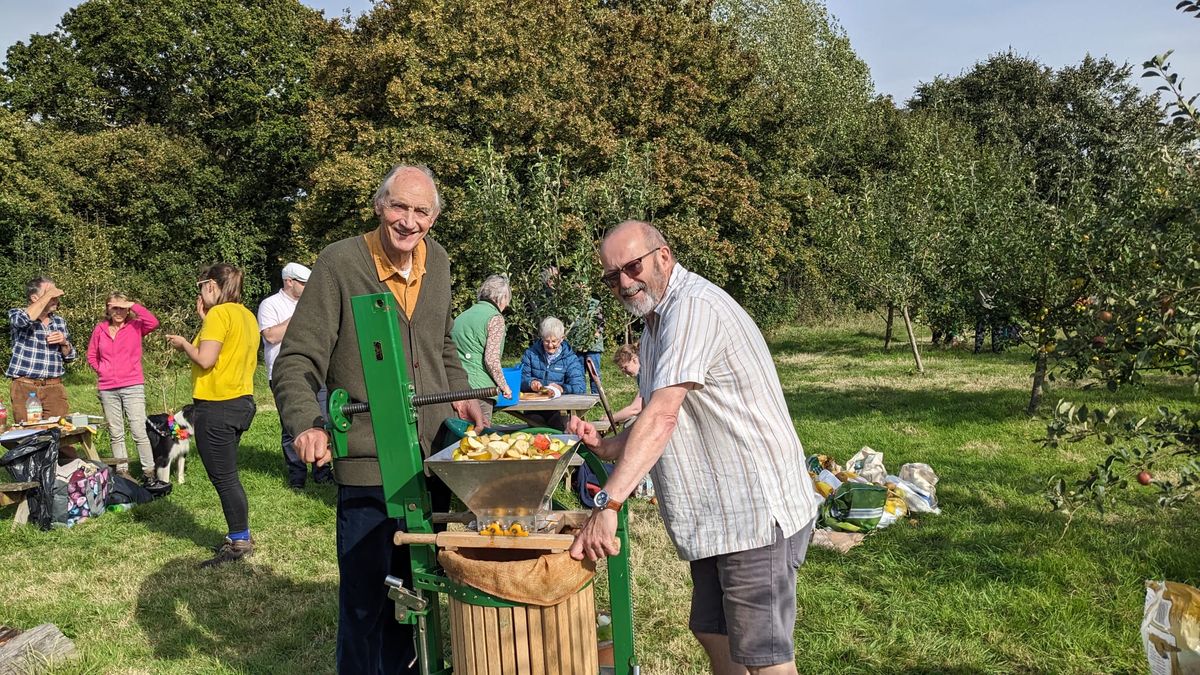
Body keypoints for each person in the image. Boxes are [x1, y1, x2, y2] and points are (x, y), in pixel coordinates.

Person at [566, 220, 818, 675]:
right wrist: (608, 448)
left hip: (755, 513)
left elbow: (662, 414)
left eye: (632, 266)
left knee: (763, 657)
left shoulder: (693, 308)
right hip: (718, 515)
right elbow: (659, 419)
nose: (624, 282)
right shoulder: (654, 324)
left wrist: (609, 502)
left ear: (663, 257)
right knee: (712, 631)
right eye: (612, 276)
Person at [271, 165, 484, 674]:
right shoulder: (341, 264)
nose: (408, 221)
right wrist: (307, 422)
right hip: (368, 464)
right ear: (378, 206)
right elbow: (297, 359)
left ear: (433, 218)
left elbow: (442, 343)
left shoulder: (441, 263)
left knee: (416, 598)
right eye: (399, 206)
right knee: (366, 601)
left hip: (433, 459)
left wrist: (462, 397)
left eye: (421, 211)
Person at [165, 263, 259, 568]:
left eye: (200, 287)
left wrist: (182, 344)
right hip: (241, 402)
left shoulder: (219, 315)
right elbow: (226, 351)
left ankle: (239, 541)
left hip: (216, 406)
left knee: (225, 478)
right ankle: (241, 533)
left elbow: (206, 360)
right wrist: (205, 320)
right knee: (229, 474)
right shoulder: (245, 314)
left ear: (210, 287)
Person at [257, 262, 333, 490]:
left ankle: (322, 472)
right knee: (291, 427)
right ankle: (297, 476)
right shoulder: (270, 305)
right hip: (283, 376)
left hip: (316, 374)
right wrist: (299, 319)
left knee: (322, 420)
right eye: (303, 284)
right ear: (289, 282)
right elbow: (270, 336)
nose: (308, 288)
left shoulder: (312, 305)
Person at [86, 293, 161, 483]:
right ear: (108, 309)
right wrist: (102, 371)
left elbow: (153, 322)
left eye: (122, 308)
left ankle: (149, 472)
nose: (118, 312)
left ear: (128, 309)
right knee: (116, 432)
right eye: (114, 307)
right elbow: (91, 356)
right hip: (107, 387)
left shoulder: (136, 326)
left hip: (133, 385)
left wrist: (133, 304)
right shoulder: (100, 329)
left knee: (138, 430)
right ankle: (122, 472)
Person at [7, 277, 75, 422]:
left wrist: (64, 343)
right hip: (25, 386)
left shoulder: (59, 321)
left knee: (59, 433)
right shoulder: (17, 313)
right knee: (29, 435)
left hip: (54, 387)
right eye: (50, 295)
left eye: (55, 295)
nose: (55, 299)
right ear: (34, 297)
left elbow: (69, 357)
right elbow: (21, 321)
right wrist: (47, 296)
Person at [450, 274, 513, 427]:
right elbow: (491, 359)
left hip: (456, 388)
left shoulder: (461, 316)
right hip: (480, 390)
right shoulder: (495, 318)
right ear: (502, 298)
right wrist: (505, 386)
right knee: (480, 442)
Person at [520, 316, 586, 396]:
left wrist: (561, 388)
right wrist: (530, 383)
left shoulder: (570, 359)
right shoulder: (530, 354)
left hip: (560, 405)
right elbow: (520, 379)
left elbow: (580, 387)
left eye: (554, 341)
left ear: (562, 339)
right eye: (546, 341)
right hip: (534, 402)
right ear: (542, 338)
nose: (550, 345)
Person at [567, 293, 605, 394]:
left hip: (593, 345)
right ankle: (581, 396)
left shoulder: (594, 302)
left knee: (594, 373)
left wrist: (594, 336)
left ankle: (597, 397)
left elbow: (601, 322)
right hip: (577, 344)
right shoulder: (570, 303)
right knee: (579, 373)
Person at [610, 342, 642, 426]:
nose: (625, 372)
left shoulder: (644, 375)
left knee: (629, 424)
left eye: (625, 367)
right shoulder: (640, 376)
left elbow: (635, 408)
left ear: (634, 359)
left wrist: (610, 418)